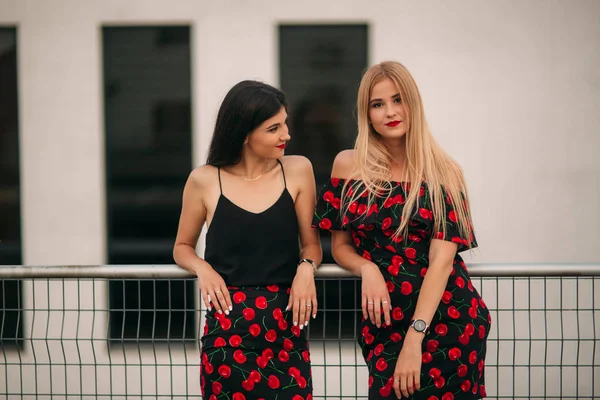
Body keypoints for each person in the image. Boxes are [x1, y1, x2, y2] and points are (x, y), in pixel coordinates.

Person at [313, 62, 491, 399]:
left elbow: (441, 262)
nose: (390, 112)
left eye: (398, 100)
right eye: (377, 104)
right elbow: (340, 247)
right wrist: (367, 269)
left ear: (413, 103)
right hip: (384, 323)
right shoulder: (348, 165)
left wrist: (415, 337)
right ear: (366, 114)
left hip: (448, 321)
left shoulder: (444, 171)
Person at [174, 80, 322, 400]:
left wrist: (306, 268)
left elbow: (311, 245)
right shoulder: (204, 179)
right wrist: (203, 268)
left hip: (287, 332)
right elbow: (182, 247)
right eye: (274, 128)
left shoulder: (298, 170)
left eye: (285, 124)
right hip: (227, 338)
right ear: (245, 132)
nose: (287, 135)